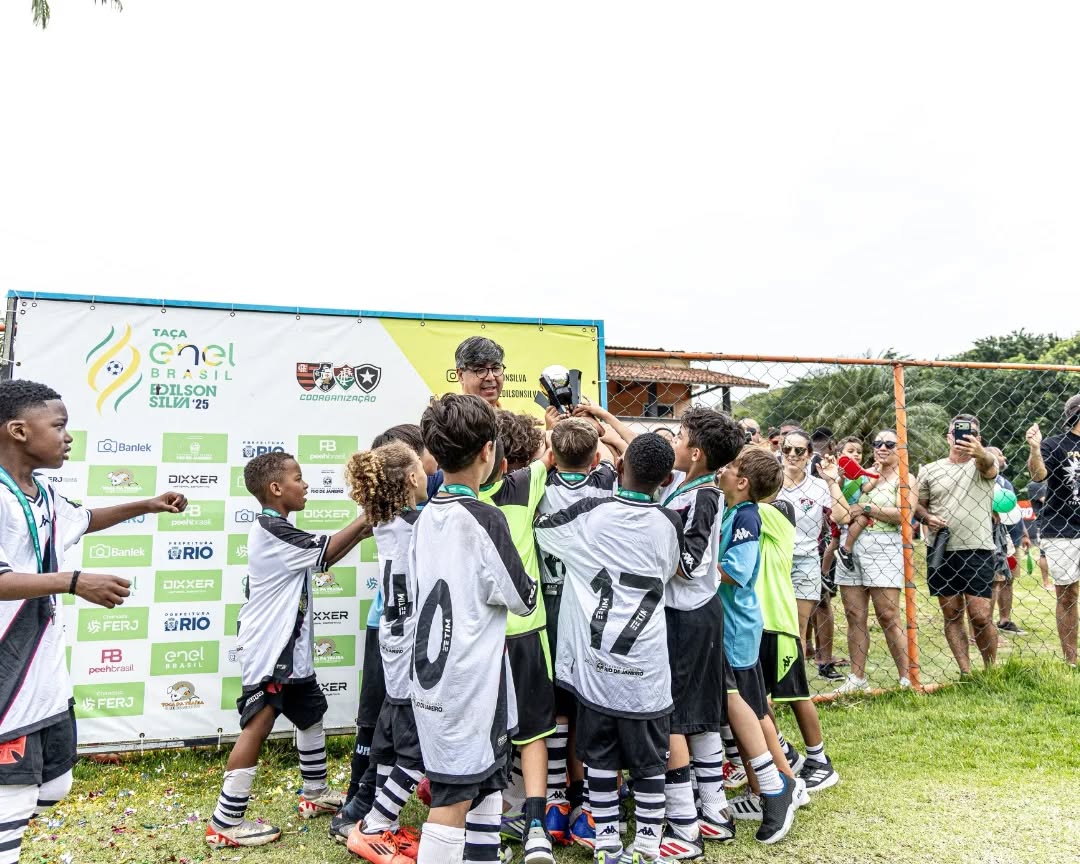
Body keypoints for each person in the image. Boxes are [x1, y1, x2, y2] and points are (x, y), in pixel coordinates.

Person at [0, 380, 188, 864]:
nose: (68, 437)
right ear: (19, 431)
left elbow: (84, 519)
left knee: (54, 785)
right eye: (59, 426)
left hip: (44, 676)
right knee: (12, 797)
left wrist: (146, 504)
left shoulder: (42, 493)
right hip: (8, 676)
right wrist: (74, 581)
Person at [206, 452, 370, 847]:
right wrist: (368, 515)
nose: (306, 484)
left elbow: (323, 558)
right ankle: (225, 822)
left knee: (311, 714)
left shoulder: (280, 527)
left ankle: (315, 793)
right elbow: (325, 550)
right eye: (299, 478)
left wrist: (365, 528)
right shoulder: (271, 529)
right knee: (258, 725)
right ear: (276, 488)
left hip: (292, 651)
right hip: (271, 650)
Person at [534, 433, 684, 863]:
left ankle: (606, 842)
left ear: (617, 469)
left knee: (599, 757)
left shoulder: (591, 514)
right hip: (647, 669)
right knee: (650, 761)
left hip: (597, 666)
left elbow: (542, 532)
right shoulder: (669, 522)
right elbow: (669, 569)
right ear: (666, 480)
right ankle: (649, 843)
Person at [410, 394, 538, 864]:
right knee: (452, 800)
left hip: (437, 679)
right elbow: (523, 598)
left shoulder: (426, 515)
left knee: (486, 786)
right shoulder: (485, 517)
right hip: (469, 685)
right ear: (489, 451)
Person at [331, 424, 438, 843]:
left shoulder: (383, 521)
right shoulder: (424, 523)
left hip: (393, 642)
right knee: (411, 744)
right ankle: (375, 820)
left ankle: (372, 812)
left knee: (389, 736)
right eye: (421, 466)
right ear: (412, 476)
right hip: (411, 647)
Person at [658, 408, 745, 854]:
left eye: (679, 436)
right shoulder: (684, 485)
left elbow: (690, 563)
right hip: (692, 615)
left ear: (695, 453)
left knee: (676, 717)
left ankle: (684, 826)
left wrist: (646, 553)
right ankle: (714, 812)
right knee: (696, 714)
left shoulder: (705, 496)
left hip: (688, 616)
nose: (673, 442)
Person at [535, 418, 618, 847]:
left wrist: (549, 438)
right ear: (596, 458)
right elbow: (616, 459)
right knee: (591, 704)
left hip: (549, 607)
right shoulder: (606, 486)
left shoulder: (536, 487)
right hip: (591, 610)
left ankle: (554, 802)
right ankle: (588, 806)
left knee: (556, 707)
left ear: (551, 456)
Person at [478, 417, 556, 863]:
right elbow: (551, 453)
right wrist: (553, 424)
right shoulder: (525, 486)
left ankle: (484, 827)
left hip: (479, 639)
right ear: (506, 464)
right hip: (526, 633)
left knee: (483, 733)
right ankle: (536, 827)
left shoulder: (452, 504)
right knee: (534, 732)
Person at [715, 446, 800, 844]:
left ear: (743, 481)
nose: (724, 470)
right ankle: (761, 787)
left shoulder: (747, 516)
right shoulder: (733, 511)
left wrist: (694, 569)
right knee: (749, 709)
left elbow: (738, 570)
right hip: (732, 626)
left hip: (738, 630)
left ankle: (784, 783)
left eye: (731, 467)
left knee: (752, 709)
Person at [756, 497, 839, 791]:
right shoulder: (748, 513)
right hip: (756, 623)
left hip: (778, 623)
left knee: (796, 694)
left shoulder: (777, 511)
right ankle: (785, 753)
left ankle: (819, 760)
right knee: (756, 697)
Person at [915, 414, 999, 673]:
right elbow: (918, 505)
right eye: (958, 433)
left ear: (979, 438)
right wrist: (927, 518)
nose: (962, 438)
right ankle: (966, 672)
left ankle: (991, 670)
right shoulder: (930, 469)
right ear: (948, 437)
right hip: (941, 549)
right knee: (951, 614)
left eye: (970, 433)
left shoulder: (983, 463)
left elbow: (989, 465)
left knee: (981, 615)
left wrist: (979, 451)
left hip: (977, 548)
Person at [833, 430, 912, 692]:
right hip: (852, 546)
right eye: (877, 443)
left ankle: (906, 678)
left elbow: (903, 514)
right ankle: (857, 678)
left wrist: (867, 509)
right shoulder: (864, 474)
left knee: (888, 614)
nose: (882, 447)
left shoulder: (905, 478)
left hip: (884, 546)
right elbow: (842, 504)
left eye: (890, 444)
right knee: (854, 614)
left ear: (901, 449)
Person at [773, 430, 850, 677]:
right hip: (772, 558)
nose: (792, 455)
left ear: (808, 455)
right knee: (770, 621)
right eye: (787, 449)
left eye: (799, 451)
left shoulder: (817, 486)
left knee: (798, 624)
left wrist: (832, 481)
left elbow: (843, 517)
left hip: (805, 559)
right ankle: (769, 675)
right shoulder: (770, 481)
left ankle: (791, 679)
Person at [1026, 394, 1080, 667]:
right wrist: (1035, 449)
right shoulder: (1054, 444)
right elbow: (1038, 475)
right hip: (1063, 528)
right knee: (1067, 595)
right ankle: (1071, 660)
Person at [986, 447, 1028, 638]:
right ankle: (986, 624)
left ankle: (1005, 620)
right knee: (995, 580)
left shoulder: (1005, 483)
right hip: (995, 538)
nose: (1004, 458)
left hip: (1013, 538)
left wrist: (1024, 533)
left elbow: (1013, 509)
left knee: (1008, 580)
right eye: (1000, 454)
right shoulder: (984, 481)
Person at [455, 336, 506, 406]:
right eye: (481, 370)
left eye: (496, 368)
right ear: (461, 375)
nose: (491, 377)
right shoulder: (447, 413)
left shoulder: (506, 413)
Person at [1026, 478, 1052, 590]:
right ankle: (1046, 583)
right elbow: (1047, 501)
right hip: (1042, 523)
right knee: (1043, 554)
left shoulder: (1051, 482)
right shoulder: (1035, 484)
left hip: (1057, 522)